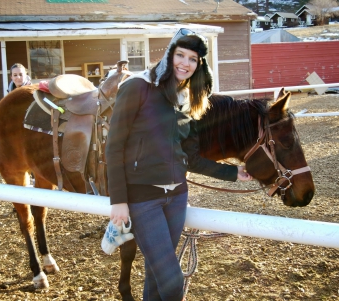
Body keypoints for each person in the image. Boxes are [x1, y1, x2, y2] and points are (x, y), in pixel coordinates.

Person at [105, 28, 253, 301]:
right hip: (143, 198)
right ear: (169, 54)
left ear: (199, 65)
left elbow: (192, 158)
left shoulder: (188, 101)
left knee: (157, 274)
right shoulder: (138, 87)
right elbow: (114, 147)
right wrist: (118, 200)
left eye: (193, 59)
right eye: (180, 54)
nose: (185, 63)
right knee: (173, 282)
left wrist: (234, 172)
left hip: (176, 197)